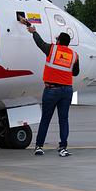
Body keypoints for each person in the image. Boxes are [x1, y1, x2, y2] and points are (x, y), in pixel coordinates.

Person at [23, 17, 79, 157]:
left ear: (59, 41)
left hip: (52, 90)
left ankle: (39, 147)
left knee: (46, 119)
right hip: (67, 90)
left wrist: (33, 31)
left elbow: (39, 43)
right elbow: (76, 72)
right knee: (63, 119)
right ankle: (63, 148)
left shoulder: (52, 50)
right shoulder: (74, 55)